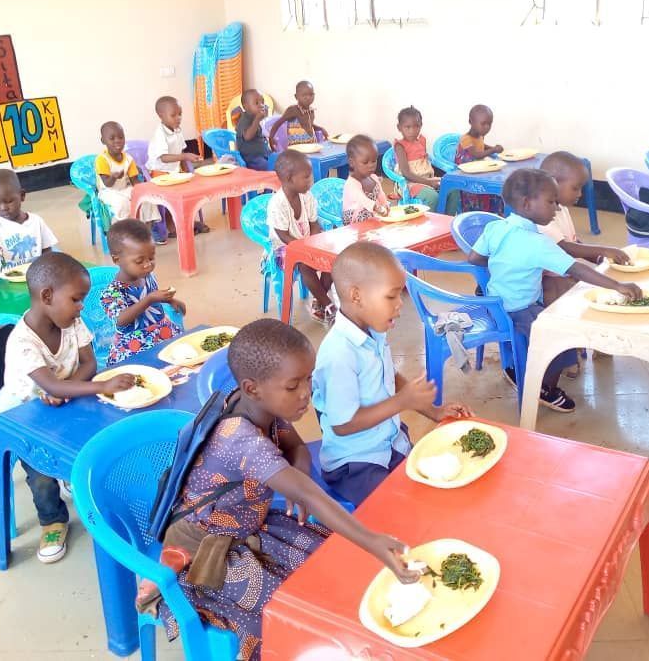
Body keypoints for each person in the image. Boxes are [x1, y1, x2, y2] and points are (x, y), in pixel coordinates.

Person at [154, 318, 419, 660]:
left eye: (308, 379)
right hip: (211, 554)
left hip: (252, 524)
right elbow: (310, 495)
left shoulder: (261, 407)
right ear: (252, 388)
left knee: (331, 560)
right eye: (294, 385)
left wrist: (295, 480)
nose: (306, 392)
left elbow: (295, 448)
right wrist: (372, 541)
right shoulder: (240, 438)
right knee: (290, 610)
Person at [0, 253, 136, 562]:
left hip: (61, 400)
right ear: (47, 296)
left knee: (100, 429)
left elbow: (89, 362)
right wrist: (98, 386)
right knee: (39, 470)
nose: (81, 307)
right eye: (77, 300)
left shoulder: (71, 322)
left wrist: (67, 392)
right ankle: (52, 520)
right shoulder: (22, 342)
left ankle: (77, 478)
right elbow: (50, 386)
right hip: (22, 416)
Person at [469, 169, 645, 413]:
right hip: (519, 310)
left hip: (494, 303)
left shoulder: (495, 228)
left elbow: (474, 258)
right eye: (551, 202)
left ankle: (517, 368)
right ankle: (544, 389)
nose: (556, 208)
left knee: (553, 315)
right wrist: (617, 286)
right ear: (527, 204)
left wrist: (504, 266)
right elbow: (578, 271)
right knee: (562, 338)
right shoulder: (538, 243)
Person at [313, 242, 472, 506]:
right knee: (399, 510)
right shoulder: (339, 353)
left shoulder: (373, 331)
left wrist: (432, 410)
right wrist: (402, 402)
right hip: (355, 465)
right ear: (356, 296)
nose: (400, 304)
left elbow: (389, 375)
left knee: (437, 486)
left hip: (389, 443)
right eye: (391, 296)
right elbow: (343, 425)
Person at [538, 151, 630, 305]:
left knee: (593, 282)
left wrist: (600, 259)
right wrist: (603, 250)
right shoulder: (542, 217)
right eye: (575, 188)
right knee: (578, 292)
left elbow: (574, 242)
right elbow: (565, 248)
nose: (580, 194)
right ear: (553, 183)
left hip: (563, 271)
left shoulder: (562, 209)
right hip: (546, 282)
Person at [100, 219, 185, 365]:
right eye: (139, 261)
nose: (148, 265)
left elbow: (153, 295)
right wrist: (148, 299)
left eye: (151, 258)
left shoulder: (147, 276)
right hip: (134, 344)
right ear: (116, 260)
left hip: (161, 331)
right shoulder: (112, 292)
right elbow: (120, 320)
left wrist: (169, 300)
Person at [268, 149, 336, 324]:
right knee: (306, 265)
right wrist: (304, 249)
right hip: (284, 247)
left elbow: (314, 223)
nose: (311, 180)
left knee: (333, 258)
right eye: (306, 177)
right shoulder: (278, 203)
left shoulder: (307, 197)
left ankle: (318, 300)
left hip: (307, 241)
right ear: (290, 179)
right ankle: (328, 305)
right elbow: (282, 235)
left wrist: (312, 243)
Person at [0, 169, 57, 275]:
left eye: (9, 201)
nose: (3, 207)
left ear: (22, 195)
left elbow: (47, 249)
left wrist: (46, 268)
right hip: (4, 280)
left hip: (35, 276)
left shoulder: (36, 221)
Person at [146, 95, 208, 235]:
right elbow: (164, 158)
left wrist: (186, 169)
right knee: (170, 199)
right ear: (161, 115)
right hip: (160, 172)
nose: (178, 118)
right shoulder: (160, 134)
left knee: (188, 194)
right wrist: (185, 156)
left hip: (174, 170)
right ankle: (172, 228)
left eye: (180, 114)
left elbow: (180, 151)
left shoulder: (177, 130)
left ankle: (188, 222)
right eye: (173, 115)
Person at [95, 121, 162, 241]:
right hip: (108, 191)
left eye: (121, 137)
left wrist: (145, 190)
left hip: (125, 188)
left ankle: (146, 233)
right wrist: (114, 176)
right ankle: (127, 234)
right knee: (122, 204)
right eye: (112, 138)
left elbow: (134, 181)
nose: (117, 141)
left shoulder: (128, 159)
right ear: (103, 141)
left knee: (147, 200)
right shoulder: (102, 159)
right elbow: (107, 183)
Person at [455, 104, 505, 215]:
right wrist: (493, 150)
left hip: (478, 171)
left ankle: (494, 213)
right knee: (478, 195)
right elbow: (476, 154)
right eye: (483, 124)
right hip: (466, 175)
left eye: (489, 124)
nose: (487, 127)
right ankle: (478, 214)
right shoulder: (466, 138)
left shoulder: (480, 136)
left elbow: (482, 146)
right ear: (471, 122)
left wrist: (493, 148)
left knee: (496, 187)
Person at [392, 106, 441, 209]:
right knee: (432, 197)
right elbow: (406, 173)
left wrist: (430, 181)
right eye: (408, 127)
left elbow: (424, 163)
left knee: (452, 189)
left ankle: (445, 218)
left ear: (421, 126)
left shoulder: (421, 142)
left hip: (427, 179)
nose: (412, 131)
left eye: (416, 126)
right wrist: (429, 183)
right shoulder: (400, 146)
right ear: (399, 127)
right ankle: (431, 222)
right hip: (409, 184)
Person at [342, 135, 392, 224]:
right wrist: (378, 208)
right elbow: (363, 200)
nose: (371, 166)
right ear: (352, 162)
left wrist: (385, 204)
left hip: (372, 216)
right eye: (365, 162)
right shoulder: (351, 184)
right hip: (355, 224)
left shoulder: (373, 178)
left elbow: (380, 194)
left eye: (374, 161)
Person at [267, 80, 329, 149]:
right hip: (296, 150)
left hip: (311, 147)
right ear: (296, 97)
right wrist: (271, 137)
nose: (308, 98)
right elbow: (278, 123)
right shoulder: (293, 110)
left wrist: (321, 129)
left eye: (311, 94)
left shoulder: (311, 111)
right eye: (304, 95)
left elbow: (309, 125)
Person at [235, 89, 272, 170]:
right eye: (256, 103)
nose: (261, 105)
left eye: (262, 102)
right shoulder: (244, 119)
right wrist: (257, 120)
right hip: (251, 158)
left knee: (281, 158)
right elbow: (247, 137)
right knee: (266, 166)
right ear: (246, 107)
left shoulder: (256, 116)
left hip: (263, 153)